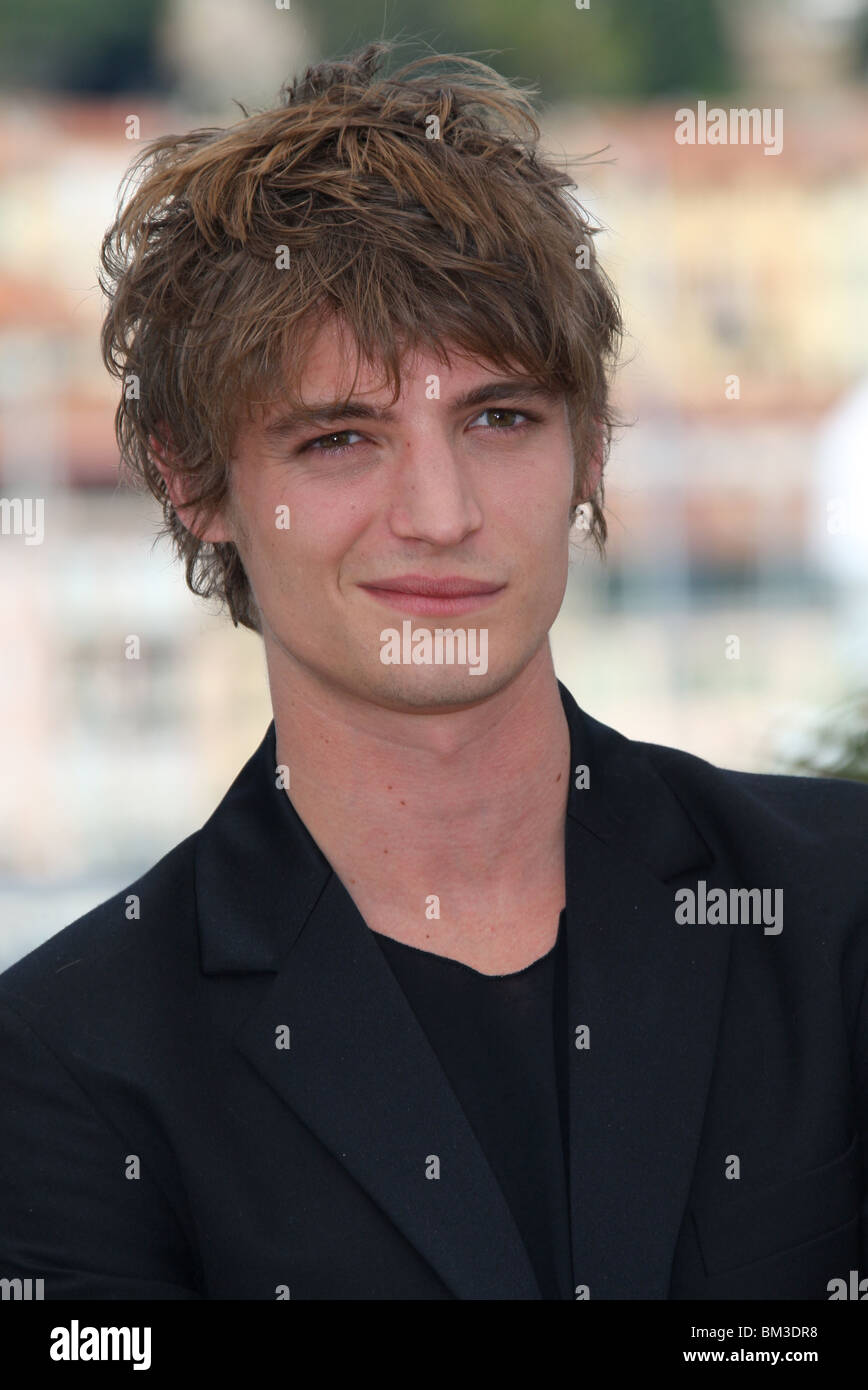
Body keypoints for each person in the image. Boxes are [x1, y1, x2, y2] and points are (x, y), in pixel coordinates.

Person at [1, 40, 866, 1302]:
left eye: (498, 418)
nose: (442, 511)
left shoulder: (838, 906)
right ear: (197, 486)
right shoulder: (68, 1062)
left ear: (590, 448)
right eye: (341, 437)